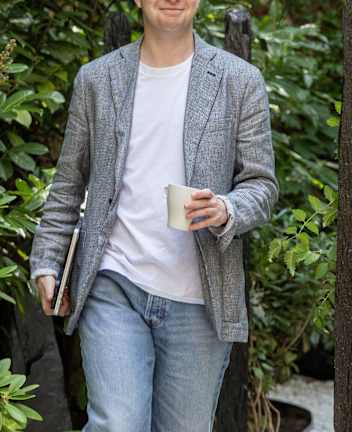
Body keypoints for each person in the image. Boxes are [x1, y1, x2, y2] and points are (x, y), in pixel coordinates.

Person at [28, 0, 279, 430]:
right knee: (118, 423)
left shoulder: (239, 80)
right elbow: (69, 182)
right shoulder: (97, 79)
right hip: (114, 281)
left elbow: (262, 186)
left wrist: (226, 209)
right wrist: (47, 261)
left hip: (200, 300)